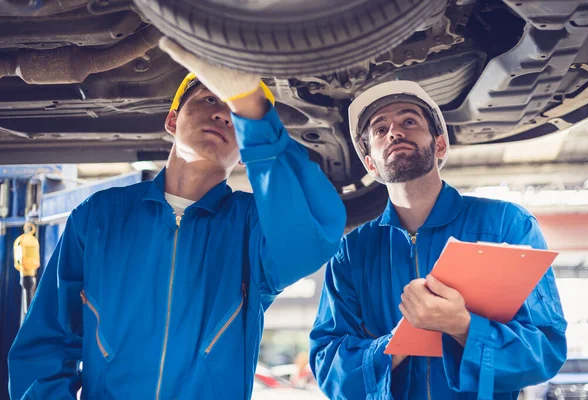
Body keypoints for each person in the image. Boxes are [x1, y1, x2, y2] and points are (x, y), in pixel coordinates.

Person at [8, 37, 346, 400]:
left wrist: (255, 113)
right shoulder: (99, 217)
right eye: (209, 98)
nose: (221, 114)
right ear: (172, 120)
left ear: (247, 150)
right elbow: (46, 343)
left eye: (235, 113)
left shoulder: (252, 226)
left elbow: (313, 238)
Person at [309, 81, 567, 400]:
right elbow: (327, 367)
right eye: (379, 129)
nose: (394, 132)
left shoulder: (505, 225)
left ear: (440, 145)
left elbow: (545, 350)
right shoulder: (351, 253)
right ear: (370, 164)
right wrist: (393, 345)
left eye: (409, 121)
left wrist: (463, 326)